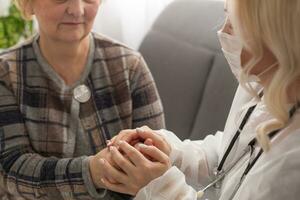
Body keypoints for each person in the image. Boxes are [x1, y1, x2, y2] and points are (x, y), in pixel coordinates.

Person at [98, 0, 300, 199]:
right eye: (227, 16)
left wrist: (160, 186)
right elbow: (232, 154)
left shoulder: (292, 160)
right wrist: (172, 152)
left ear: (283, 39)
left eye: (241, 29)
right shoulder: (266, 79)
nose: (225, 35)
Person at [0, 0, 165, 199]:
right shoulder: (6, 73)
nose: (77, 10)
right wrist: (92, 171)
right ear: (28, 4)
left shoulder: (130, 66)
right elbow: (9, 168)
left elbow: (155, 164)